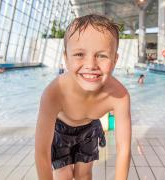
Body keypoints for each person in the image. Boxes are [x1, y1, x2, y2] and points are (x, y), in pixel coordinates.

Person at [35, 14, 131, 180]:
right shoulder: (54, 93)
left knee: (84, 175)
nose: (91, 65)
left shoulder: (119, 96)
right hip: (60, 129)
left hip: (90, 129)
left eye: (102, 55)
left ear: (114, 60)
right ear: (66, 58)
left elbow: (124, 149)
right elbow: (41, 152)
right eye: (79, 54)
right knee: (63, 175)